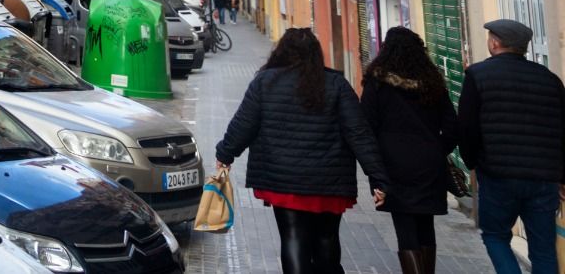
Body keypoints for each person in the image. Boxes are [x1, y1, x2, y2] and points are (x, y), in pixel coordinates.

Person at [216, 27, 390, 274]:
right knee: (327, 238)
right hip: (329, 180)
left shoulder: (265, 82)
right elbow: (359, 133)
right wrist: (378, 177)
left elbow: (244, 124)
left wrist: (225, 154)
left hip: (284, 178)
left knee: (293, 237)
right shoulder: (336, 84)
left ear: (282, 52)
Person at [457, 18, 565, 274]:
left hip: (498, 175)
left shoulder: (477, 75)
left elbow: (467, 128)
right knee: (543, 249)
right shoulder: (550, 80)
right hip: (543, 178)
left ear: (494, 43)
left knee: (495, 235)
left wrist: (473, 162)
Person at [362, 26, 458, 274]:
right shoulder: (432, 82)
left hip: (394, 164)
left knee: (405, 228)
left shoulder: (377, 81)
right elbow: (452, 126)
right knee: (426, 225)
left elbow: (366, 127)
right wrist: (437, 149)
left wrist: (375, 170)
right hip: (429, 163)